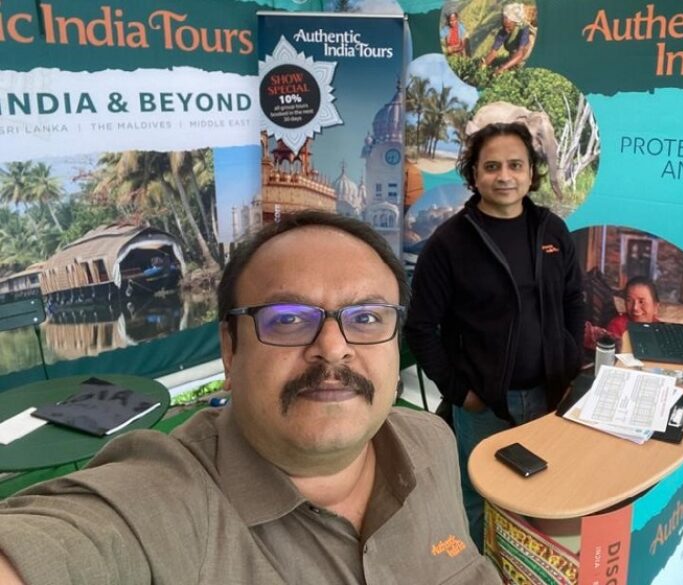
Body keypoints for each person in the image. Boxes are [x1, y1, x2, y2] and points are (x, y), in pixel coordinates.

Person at [0, 211, 499, 584]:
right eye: (286, 318)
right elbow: (67, 541)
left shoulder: (433, 443)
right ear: (229, 350)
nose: (333, 348)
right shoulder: (175, 501)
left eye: (366, 318)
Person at [404, 122, 584, 550]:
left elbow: (573, 300)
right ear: (474, 175)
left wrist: (571, 364)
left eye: (515, 165)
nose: (504, 176)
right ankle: (477, 570)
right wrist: (462, 392)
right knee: (479, 498)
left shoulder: (552, 230)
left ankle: (527, 565)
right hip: (483, 405)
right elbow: (421, 327)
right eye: (492, 166)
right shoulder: (448, 244)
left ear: (531, 173)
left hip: (550, 394)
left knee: (541, 490)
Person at [481, 3, 533, 74]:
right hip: (512, 60)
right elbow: (493, 52)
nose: (506, 30)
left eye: (509, 27)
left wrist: (503, 68)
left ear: (515, 23)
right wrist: (484, 63)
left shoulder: (523, 30)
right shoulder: (503, 32)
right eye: (504, 26)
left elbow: (520, 53)